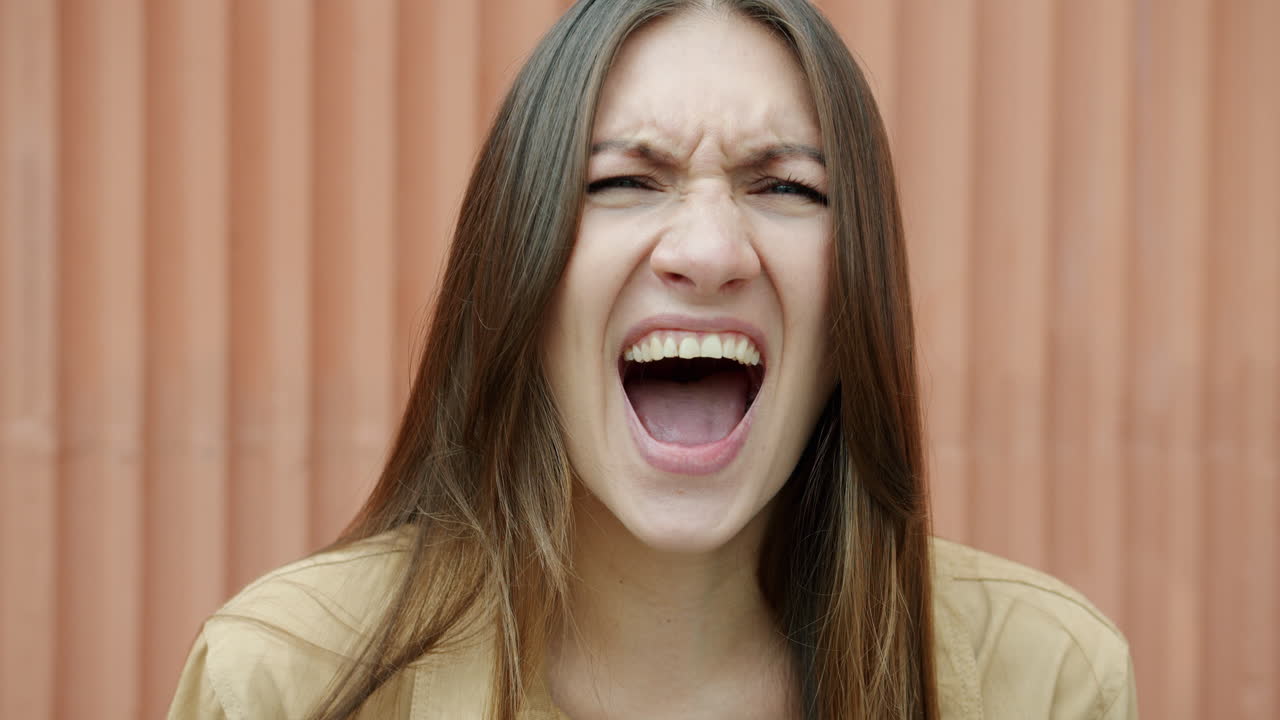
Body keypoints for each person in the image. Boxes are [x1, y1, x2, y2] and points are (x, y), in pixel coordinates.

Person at [170, 1, 1137, 718]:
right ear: (520, 283)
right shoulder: (289, 685)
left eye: (787, 188)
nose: (710, 253)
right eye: (625, 180)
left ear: (856, 307)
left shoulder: (1044, 682)